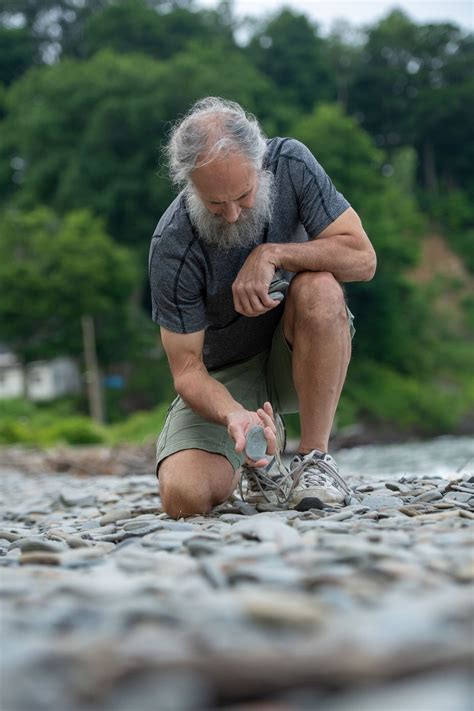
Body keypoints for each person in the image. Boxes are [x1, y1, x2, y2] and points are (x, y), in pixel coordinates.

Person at [149, 97, 376, 519]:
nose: (233, 215)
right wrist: (235, 416)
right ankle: (259, 462)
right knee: (184, 498)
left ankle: (313, 460)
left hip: (299, 350)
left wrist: (275, 253)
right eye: (215, 204)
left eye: (243, 195)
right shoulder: (172, 246)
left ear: (261, 163)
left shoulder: (291, 163)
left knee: (320, 288)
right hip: (225, 376)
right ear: (189, 184)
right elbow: (186, 371)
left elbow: (363, 260)